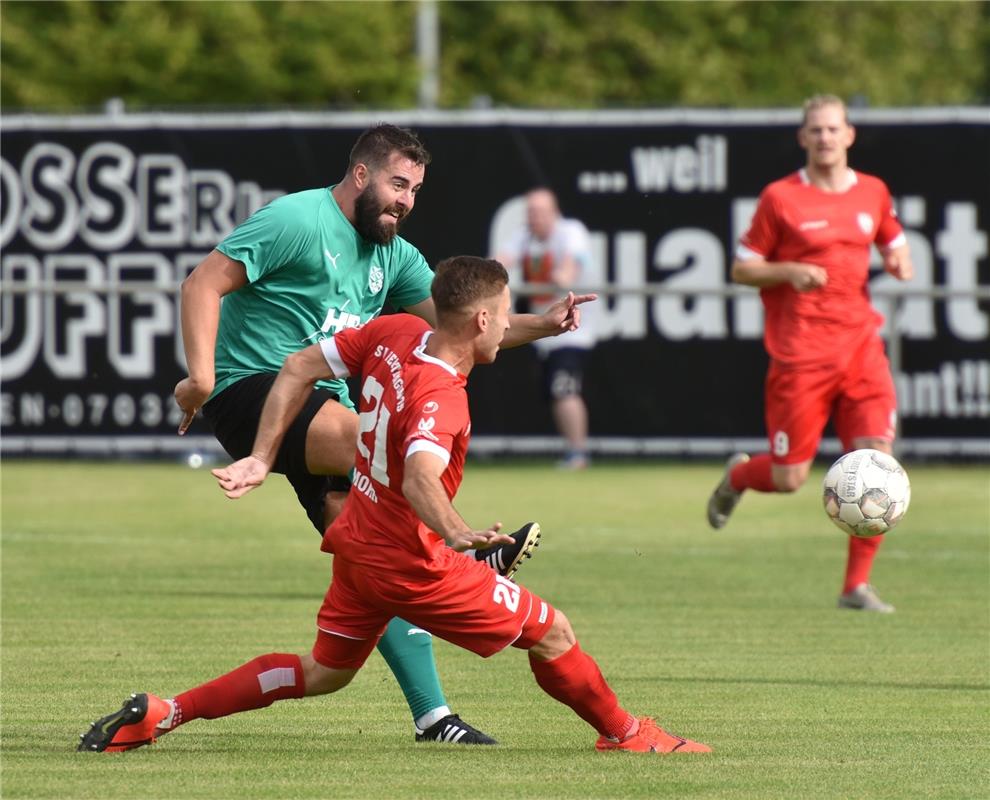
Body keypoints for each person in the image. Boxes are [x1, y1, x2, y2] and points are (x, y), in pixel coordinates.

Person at [78, 256, 710, 755]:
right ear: (483, 321)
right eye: (507, 313)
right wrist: (460, 533)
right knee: (552, 631)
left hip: (357, 539)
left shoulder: (396, 333)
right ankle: (626, 734)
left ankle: (168, 712)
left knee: (325, 671)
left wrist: (264, 455)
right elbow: (419, 479)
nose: (508, 321)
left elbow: (298, 365)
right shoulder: (444, 398)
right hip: (410, 560)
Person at [173, 124, 592, 743]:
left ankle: (434, 717)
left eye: (417, 190)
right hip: (252, 390)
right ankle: (465, 554)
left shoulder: (391, 254)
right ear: (362, 175)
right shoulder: (297, 220)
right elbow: (201, 283)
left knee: (375, 555)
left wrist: (544, 325)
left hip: (327, 408)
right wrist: (202, 379)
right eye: (399, 184)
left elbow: (467, 325)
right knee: (382, 446)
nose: (407, 200)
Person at [706, 95, 914, 613]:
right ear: (803, 138)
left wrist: (898, 257)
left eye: (833, 129)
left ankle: (855, 587)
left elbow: (893, 235)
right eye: (815, 130)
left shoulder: (873, 190)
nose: (825, 137)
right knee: (789, 477)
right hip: (800, 354)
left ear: (849, 135)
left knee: (876, 462)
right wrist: (788, 271)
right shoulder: (781, 198)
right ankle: (738, 477)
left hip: (862, 347)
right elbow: (741, 268)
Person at [496, 188, 596, 469]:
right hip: (543, 331)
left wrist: (563, 276)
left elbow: (570, 268)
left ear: (554, 212)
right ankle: (572, 450)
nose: (534, 218)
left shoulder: (570, 232)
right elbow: (497, 264)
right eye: (530, 212)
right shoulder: (524, 237)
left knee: (564, 389)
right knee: (553, 390)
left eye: (540, 212)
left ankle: (578, 453)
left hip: (574, 329)